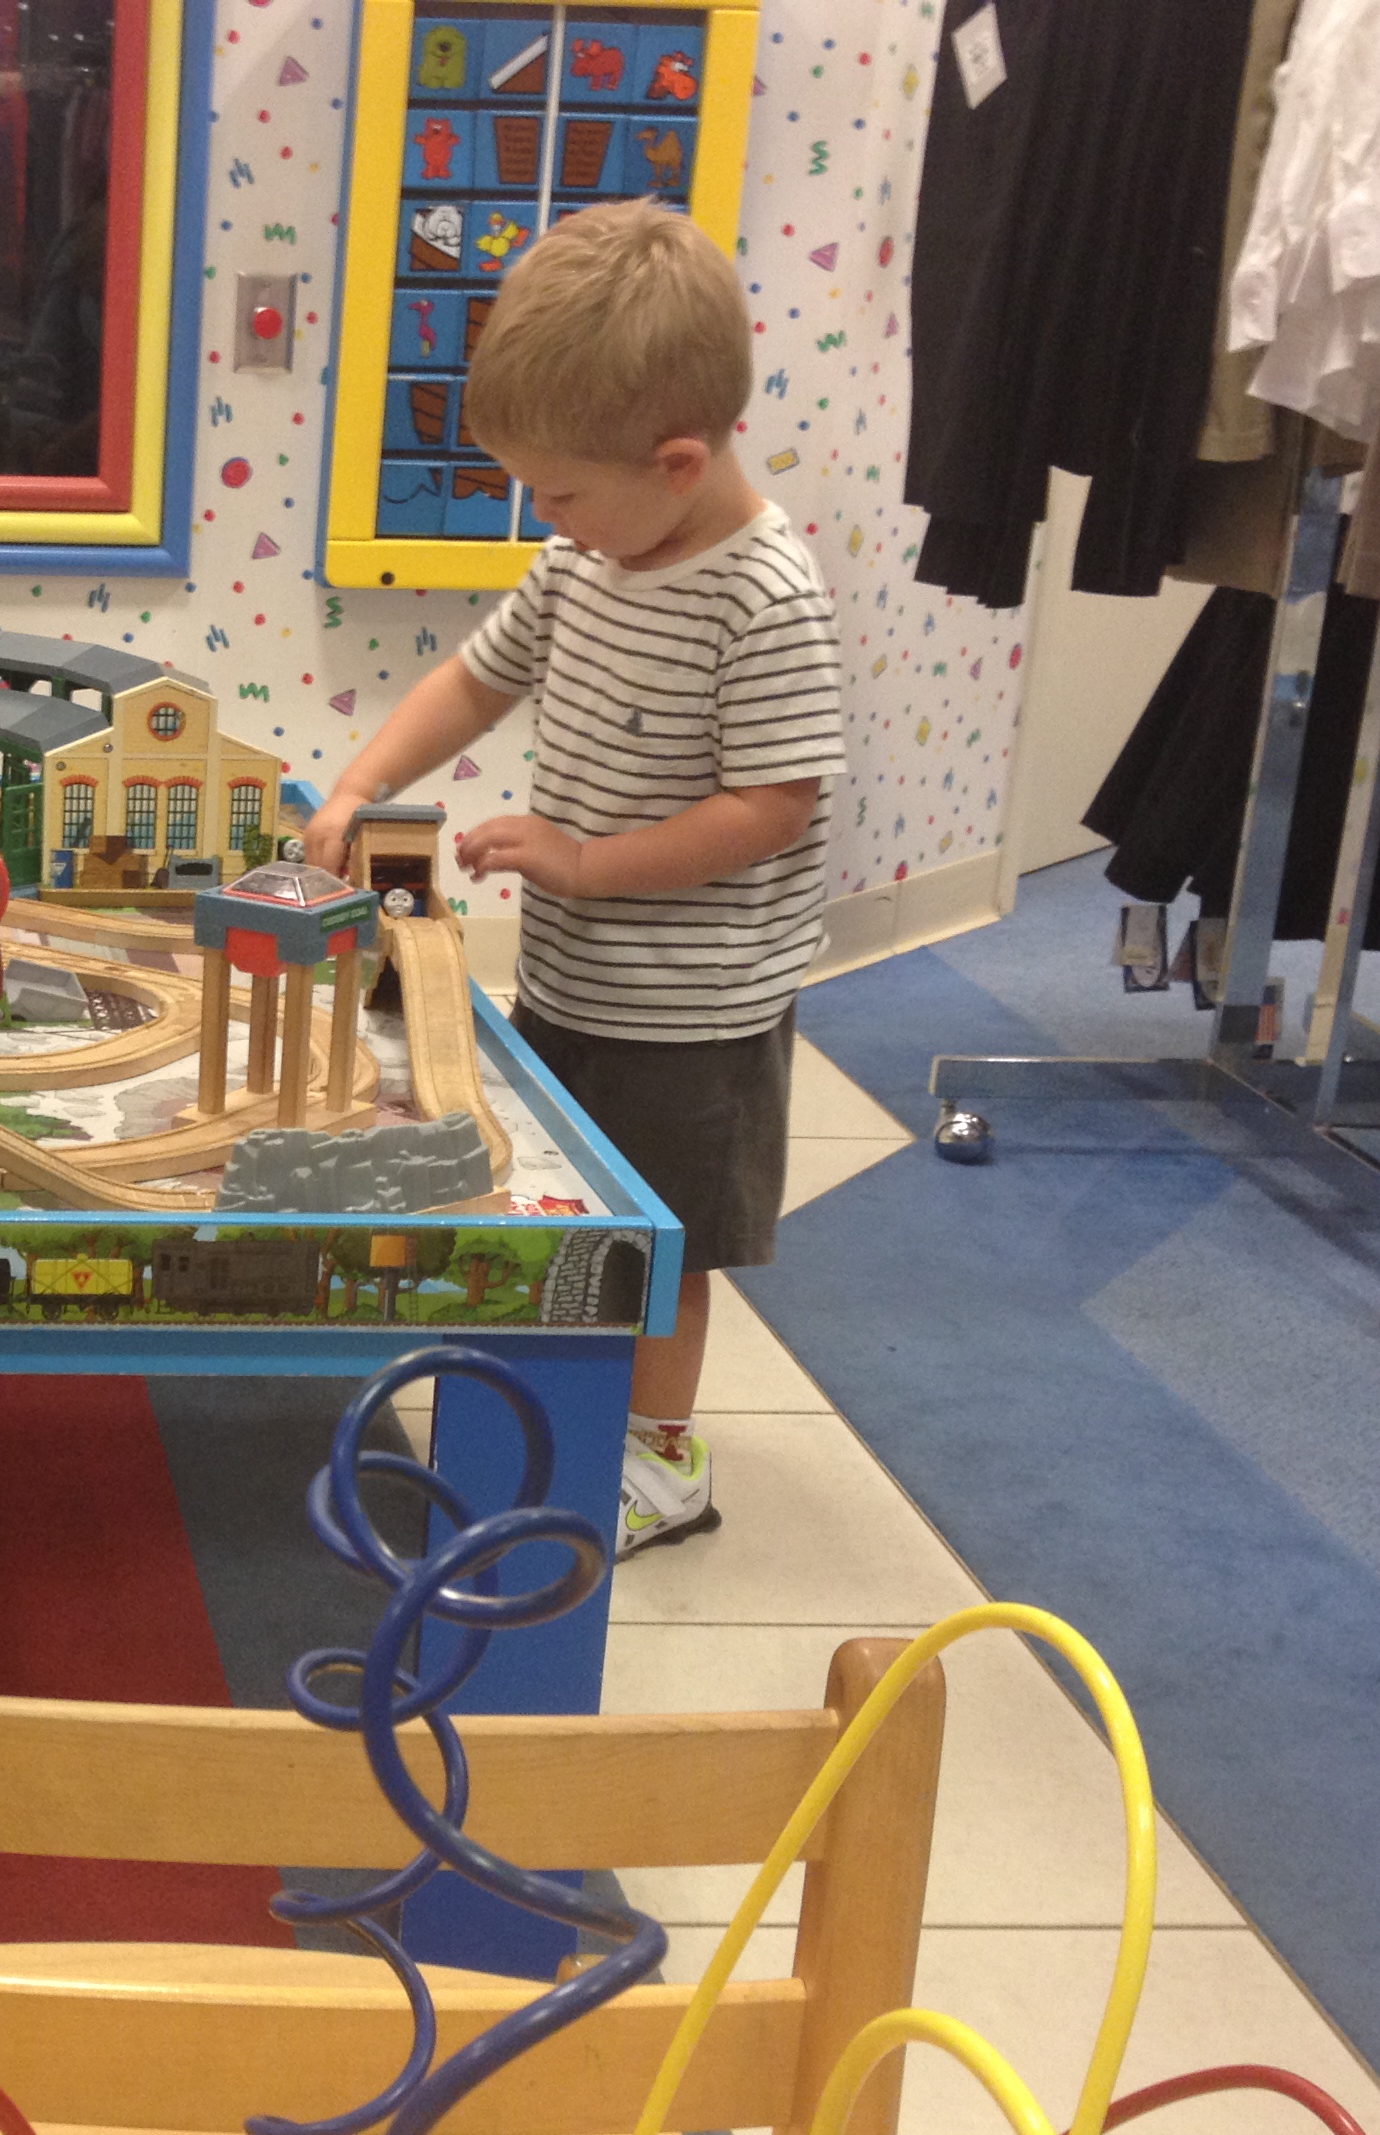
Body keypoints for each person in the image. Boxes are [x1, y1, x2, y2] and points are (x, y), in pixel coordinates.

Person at [305, 200, 847, 1557]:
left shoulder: (764, 597)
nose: (543, 516)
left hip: (696, 1012)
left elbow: (776, 805)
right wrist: (362, 784)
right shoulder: (585, 560)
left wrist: (587, 861)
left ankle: (663, 1461)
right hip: (578, 978)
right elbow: (474, 681)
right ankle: (556, 1405)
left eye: (558, 492)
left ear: (678, 462)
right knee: (567, 1210)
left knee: (663, 1250)